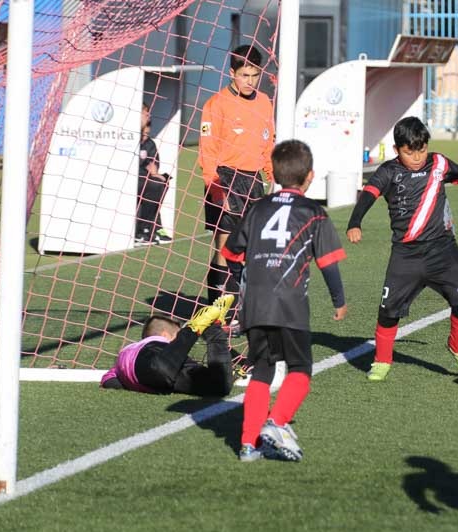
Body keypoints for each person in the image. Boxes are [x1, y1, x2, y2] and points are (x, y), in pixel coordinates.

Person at [346, 116, 458, 382]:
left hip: (444, 250)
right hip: (406, 256)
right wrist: (355, 221)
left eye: (421, 149)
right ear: (397, 150)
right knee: (388, 311)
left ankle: (457, 348)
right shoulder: (388, 172)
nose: (417, 157)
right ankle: (382, 361)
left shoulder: (440, 163)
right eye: (409, 152)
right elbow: (369, 195)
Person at [221, 140, 347, 462]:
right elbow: (328, 263)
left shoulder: (258, 208)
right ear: (310, 176)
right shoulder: (314, 213)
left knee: (262, 371)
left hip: (255, 304)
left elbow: (231, 254)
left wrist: (244, 280)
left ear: (275, 176)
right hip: (289, 304)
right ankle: (275, 424)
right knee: (301, 368)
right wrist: (339, 300)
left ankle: (248, 445)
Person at [199, 44, 275, 307]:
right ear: (232, 72)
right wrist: (217, 192)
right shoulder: (216, 104)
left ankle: (238, 303)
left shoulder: (264, 102)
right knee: (224, 245)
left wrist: (272, 176)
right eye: (245, 75)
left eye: (255, 75)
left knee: (248, 248)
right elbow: (207, 153)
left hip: (253, 182)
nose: (250, 81)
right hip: (225, 178)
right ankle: (216, 308)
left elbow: (268, 144)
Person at [100, 295, 235, 396]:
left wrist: (133, 384)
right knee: (169, 361)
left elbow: (108, 381)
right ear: (165, 335)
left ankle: (211, 326)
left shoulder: (129, 351)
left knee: (220, 387)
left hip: (157, 378)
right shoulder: (154, 344)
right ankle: (196, 328)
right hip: (157, 363)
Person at [135, 103, 172, 245]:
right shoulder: (128, 137)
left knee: (161, 183)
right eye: (145, 113)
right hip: (131, 181)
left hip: (144, 180)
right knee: (154, 185)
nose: (148, 115)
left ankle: (153, 229)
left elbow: (153, 165)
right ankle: (144, 230)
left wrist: (156, 173)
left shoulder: (150, 144)